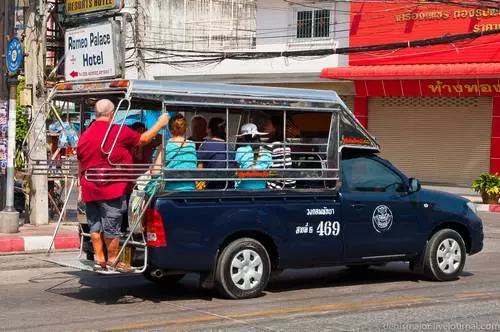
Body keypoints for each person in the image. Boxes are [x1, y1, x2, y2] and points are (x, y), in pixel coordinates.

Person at [77, 99, 168, 271]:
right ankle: (112, 259)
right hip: (110, 188)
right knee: (112, 226)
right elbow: (143, 139)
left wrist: (80, 183)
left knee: (95, 225)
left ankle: (99, 258)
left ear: (96, 114)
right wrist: (160, 123)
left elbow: (80, 162)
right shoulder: (117, 131)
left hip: (90, 188)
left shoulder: (85, 135)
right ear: (111, 115)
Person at [154, 114, 197, 191]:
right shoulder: (192, 145)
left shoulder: (165, 146)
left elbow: (155, 172)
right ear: (186, 129)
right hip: (190, 189)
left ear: (170, 129)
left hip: (170, 190)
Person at [198, 117, 234, 189]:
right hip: (229, 187)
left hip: (212, 187)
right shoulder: (230, 146)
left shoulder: (205, 145)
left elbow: (199, 168)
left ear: (209, 130)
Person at [235, 123, 272, 190]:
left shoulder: (240, 150)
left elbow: (236, 171)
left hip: (243, 189)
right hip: (262, 189)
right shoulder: (267, 152)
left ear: (244, 137)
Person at [263, 116, 296, 190]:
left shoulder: (270, 145)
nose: (264, 126)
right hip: (290, 183)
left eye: (268, 124)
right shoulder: (286, 143)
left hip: (276, 185)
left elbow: (262, 164)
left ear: (275, 127)